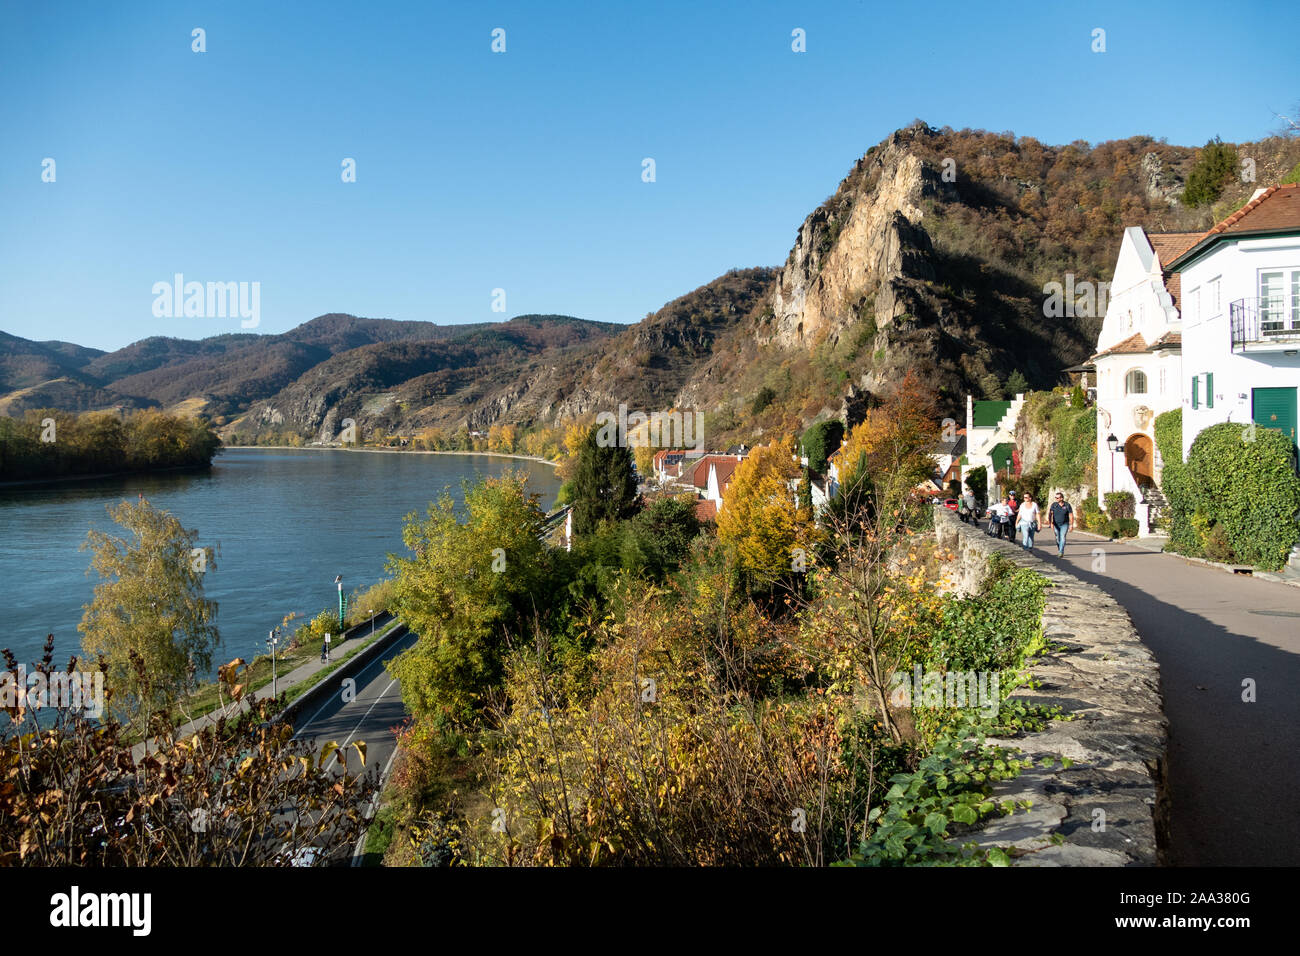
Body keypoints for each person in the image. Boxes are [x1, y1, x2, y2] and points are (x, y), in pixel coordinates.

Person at [1048, 492, 1076, 557]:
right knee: (1057, 538)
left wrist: (1071, 525)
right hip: (1056, 524)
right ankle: (1060, 549)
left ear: (1062, 498)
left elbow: (1071, 515)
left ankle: (1061, 552)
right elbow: (1050, 514)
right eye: (1056, 497)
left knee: (1062, 537)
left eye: (1058, 498)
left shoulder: (1067, 505)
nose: (1056, 499)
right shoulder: (1054, 505)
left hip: (1064, 524)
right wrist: (1050, 523)